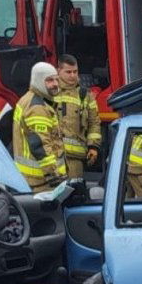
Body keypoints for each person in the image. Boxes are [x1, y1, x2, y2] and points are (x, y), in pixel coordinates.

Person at [12, 62, 68, 192]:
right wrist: (53, 175)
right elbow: (40, 146)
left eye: (56, 79)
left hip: (32, 178)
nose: (55, 84)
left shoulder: (27, 99)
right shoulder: (37, 107)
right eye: (49, 80)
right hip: (41, 181)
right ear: (38, 81)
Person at [54, 55, 102, 180]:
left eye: (75, 72)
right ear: (58, 71)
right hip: (53, 156)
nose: (72, 75)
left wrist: (93, 147)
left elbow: (94, 123)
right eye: (68, 72)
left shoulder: (85, 95)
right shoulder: (50, 92)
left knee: (73, 193)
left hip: (76, 159)